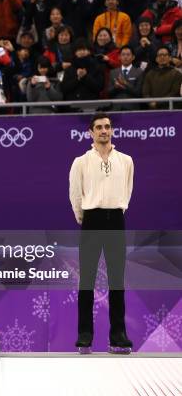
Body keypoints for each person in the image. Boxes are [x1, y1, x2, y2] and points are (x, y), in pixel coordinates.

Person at [69, 113, 134, 354]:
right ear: (91, 132)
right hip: (91, 219)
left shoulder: (126, 160)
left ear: (112, 131)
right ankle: (84, 337)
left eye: (107, 127)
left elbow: (128, 190)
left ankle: (119, 337)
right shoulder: (81, 162)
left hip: (116, 219)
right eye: (99, 127)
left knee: (117, 281)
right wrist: (82, 216)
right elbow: (75, 193)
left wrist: (118, 210)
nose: (104, 131)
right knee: (87, 280)